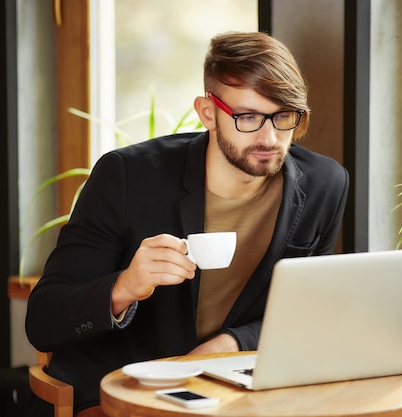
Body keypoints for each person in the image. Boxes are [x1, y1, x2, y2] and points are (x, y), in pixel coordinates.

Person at [26, 31, 349, 416]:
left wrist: (231, 342)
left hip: (235, 391)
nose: (270, 137)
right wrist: (124, 287)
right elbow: (42, 320)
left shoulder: (324, 184)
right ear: (208, 112)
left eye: (284, 117)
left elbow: (303, 312)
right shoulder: (127, 175)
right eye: (248, 117)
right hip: (125, 393)